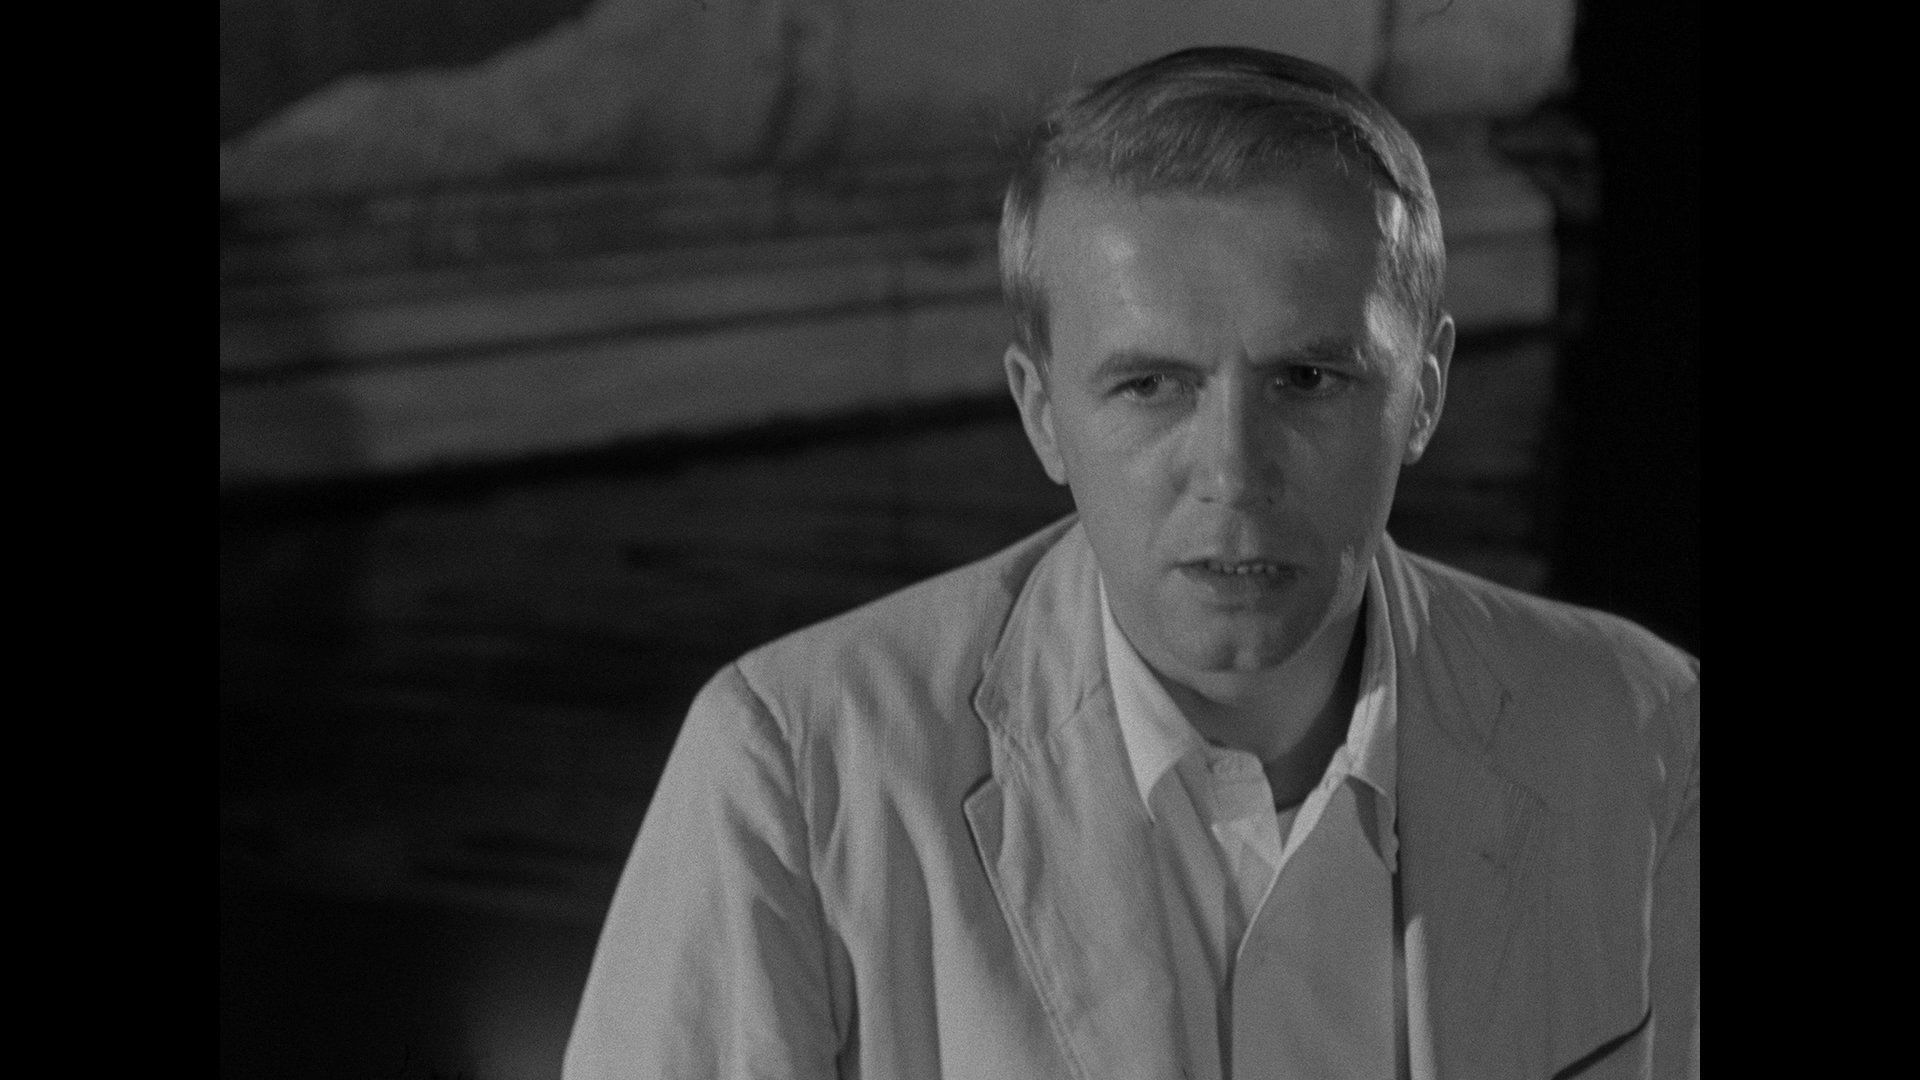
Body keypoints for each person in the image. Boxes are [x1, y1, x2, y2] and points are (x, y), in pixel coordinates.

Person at [565, 46, 1698, 1080]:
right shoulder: (793, 776)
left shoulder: (1647, 734)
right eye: (1152, 385)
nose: (1233, 472)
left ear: (1427, 394)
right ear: (1040, 412)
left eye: (1308, 380)